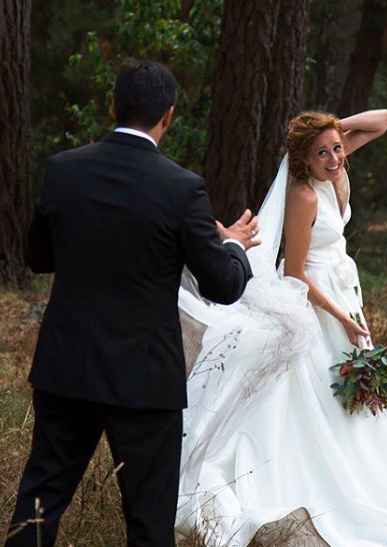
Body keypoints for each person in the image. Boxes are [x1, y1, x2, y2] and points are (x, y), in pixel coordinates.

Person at [5, 60, 260, 547]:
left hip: (67, 367)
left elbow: (37, 257)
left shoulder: (64, 170)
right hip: (145, 379)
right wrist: (232, 246)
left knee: (39, 504)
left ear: (112, 106)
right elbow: (223, 286)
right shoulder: (182, 189)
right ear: (168, 115)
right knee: (148, 520)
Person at [176, 111, 387, 546]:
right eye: (322, 153)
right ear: (303, 160)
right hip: (320, 306)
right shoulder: (304, 196)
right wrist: (341, 317)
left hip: (346, 296)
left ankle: (366, 479)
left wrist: (326, 129)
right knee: (318, 394)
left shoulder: (332, 168)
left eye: (336, 149)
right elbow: (295, 274)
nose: (333, 158)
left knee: (359, 402)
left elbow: (384, 120)